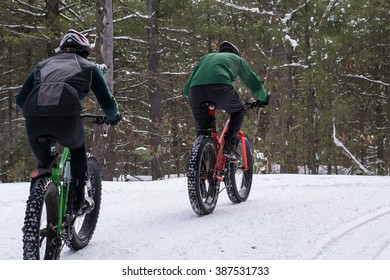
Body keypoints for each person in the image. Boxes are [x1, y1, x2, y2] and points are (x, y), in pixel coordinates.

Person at [16, 29, 121, 215]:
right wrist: (113, 118)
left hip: (35, 122)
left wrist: (37, 114)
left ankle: (37, 203)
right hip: (67, 120)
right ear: (84, 50)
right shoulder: (89, 67)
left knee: (44, 165)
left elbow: (20, 100)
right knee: (77, 147)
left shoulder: (41, 66)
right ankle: (78, 201)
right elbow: (107, 103)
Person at [183, 41, 269, 160]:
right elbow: (252, 80)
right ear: (236, 53)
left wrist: (197, 99)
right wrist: (263, 98)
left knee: (203, 131)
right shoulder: (236, 59)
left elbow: (186, 90)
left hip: (195, 91)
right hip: (220, 88)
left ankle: (201, 165)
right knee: (238, 111)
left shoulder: (206, 58)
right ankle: (229, 145)